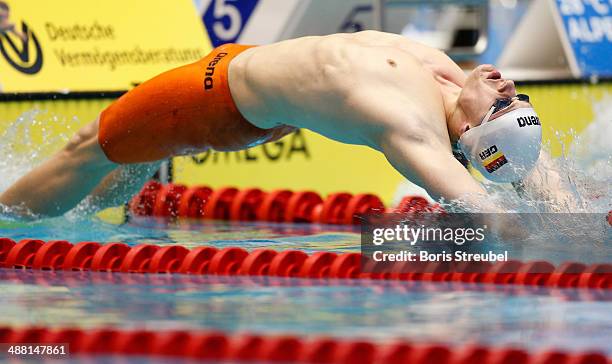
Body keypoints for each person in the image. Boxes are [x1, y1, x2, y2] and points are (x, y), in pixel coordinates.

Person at [0, 31, 572, 217]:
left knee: (88, 148)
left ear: (470, 136)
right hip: (259, 76)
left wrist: (536, 245)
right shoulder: (453, 82)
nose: (507, 87)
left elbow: (483, 207)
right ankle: (84, 214)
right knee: (142, 155)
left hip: (217, 96)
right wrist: (580, 219)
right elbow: (525, 163)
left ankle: (10, 218)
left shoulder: (409, 128)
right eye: (516, 99)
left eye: (501, 106)